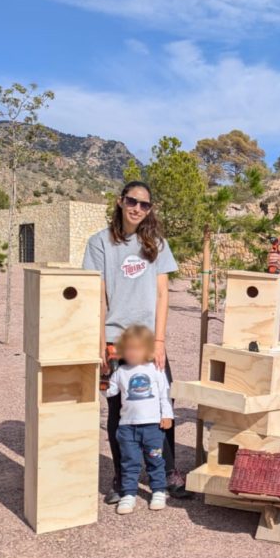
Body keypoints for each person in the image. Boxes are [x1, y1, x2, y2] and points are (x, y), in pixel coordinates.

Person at [83, 180, 188, 504]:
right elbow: (97, 293)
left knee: (161, 399)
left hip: (147, 339)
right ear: (120, 201)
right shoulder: (99, 243)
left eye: (144, 204)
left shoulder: (156, 242)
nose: (137, 209)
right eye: (132, 201)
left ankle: (168, 471)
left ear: (150, 209)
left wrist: (159, 340)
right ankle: (123, 475)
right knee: (118, 410)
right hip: (116, 336)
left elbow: (161, 292)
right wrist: (100, 339)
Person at [104, 325, 174, 514]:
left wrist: (167, 415)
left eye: (137, 348)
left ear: (148, 350)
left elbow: (164, 395)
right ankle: (129, 494)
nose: (132, 352)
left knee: (155, 460)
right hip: (127, 427)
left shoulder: (156, 370)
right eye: (128, 348)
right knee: (129, 461)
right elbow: (110, 392)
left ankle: (158, 490)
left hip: (152, 425)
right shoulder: (120, 372)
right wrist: (103, 375)